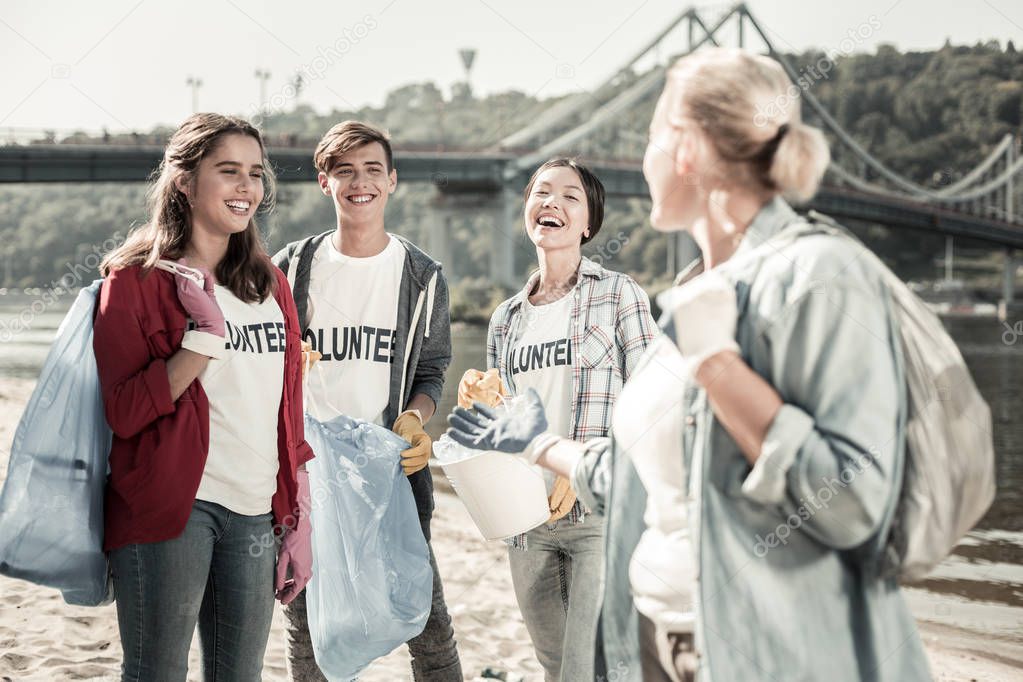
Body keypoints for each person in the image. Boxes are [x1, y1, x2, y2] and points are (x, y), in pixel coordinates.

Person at [449, 47, 933, 681]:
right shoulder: (689, 290)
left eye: (650, 138)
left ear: (688, 149)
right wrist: (536, 441)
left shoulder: (820, 275)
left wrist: (718, 366)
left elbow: (858, 503)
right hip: (666, 647)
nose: (642, 161)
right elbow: (646, 472)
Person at [94, 113, 314, 681]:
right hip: (174, 506)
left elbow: (287, 407)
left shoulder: (270, 281)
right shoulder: (136, 280)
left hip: (256, 509)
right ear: (186, 182)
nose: (246, 187)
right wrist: (204, 337)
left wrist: (296, 516)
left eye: (255, 174)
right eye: (228, 171)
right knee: (158, 673)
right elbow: (124, 411)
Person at [273, 120, 462, 681]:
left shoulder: (422, 275)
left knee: (424, 615)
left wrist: (415, 417)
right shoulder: (291, 267)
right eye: (345, 171)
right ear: (324, 183)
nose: (361, 183)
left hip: (391, 469)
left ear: (393, 181)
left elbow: (431, 369)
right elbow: (263, 363)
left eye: (373, 170)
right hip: (310, 472)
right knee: (309, 620)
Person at [458, 158, 656, 681]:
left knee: (584, 669)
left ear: (589, 223)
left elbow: (654, 402)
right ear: (526, 209)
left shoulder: (619, 295)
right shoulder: (506, 318)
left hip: (598, 512)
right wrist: (479, 400)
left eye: (570, 196)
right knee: (553, 664)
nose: (552, 203)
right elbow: (506, 423)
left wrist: (585, 465)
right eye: (541, 192)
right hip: (524, 515)